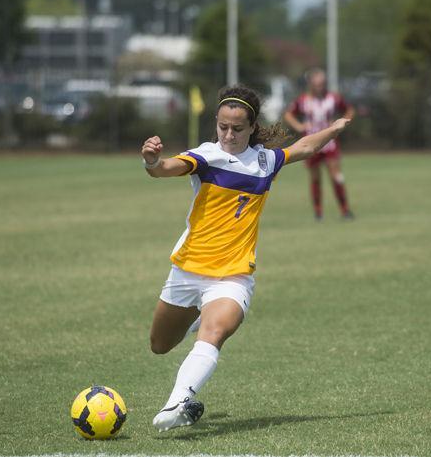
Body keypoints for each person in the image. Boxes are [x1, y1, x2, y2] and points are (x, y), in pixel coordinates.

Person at [141, 84, 350, 432]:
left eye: (237, 128)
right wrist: (151, 161)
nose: (228, 134)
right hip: (188, 271)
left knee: (215, 331)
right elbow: (165, 168)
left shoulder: (266, 161)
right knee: (160, 345)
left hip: (233, 276)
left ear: (252, 127)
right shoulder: (207, 156)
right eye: (223, 126)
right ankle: (196, 318)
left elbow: (305, 146)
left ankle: (178, 400)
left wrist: (335, 127)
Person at [284, 68, 356, 220]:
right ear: (310, 84)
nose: (320, 87)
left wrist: (342, 123)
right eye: (317, 84)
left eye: (322, 84)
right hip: (311, 144)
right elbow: (288, 114)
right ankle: (318, 212)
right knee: (315, 178)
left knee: (336, 176)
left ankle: (345, 210)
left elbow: (349, 110)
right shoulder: (303, 100)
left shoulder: (333, 98)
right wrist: (299, 126)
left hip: (330, 143)